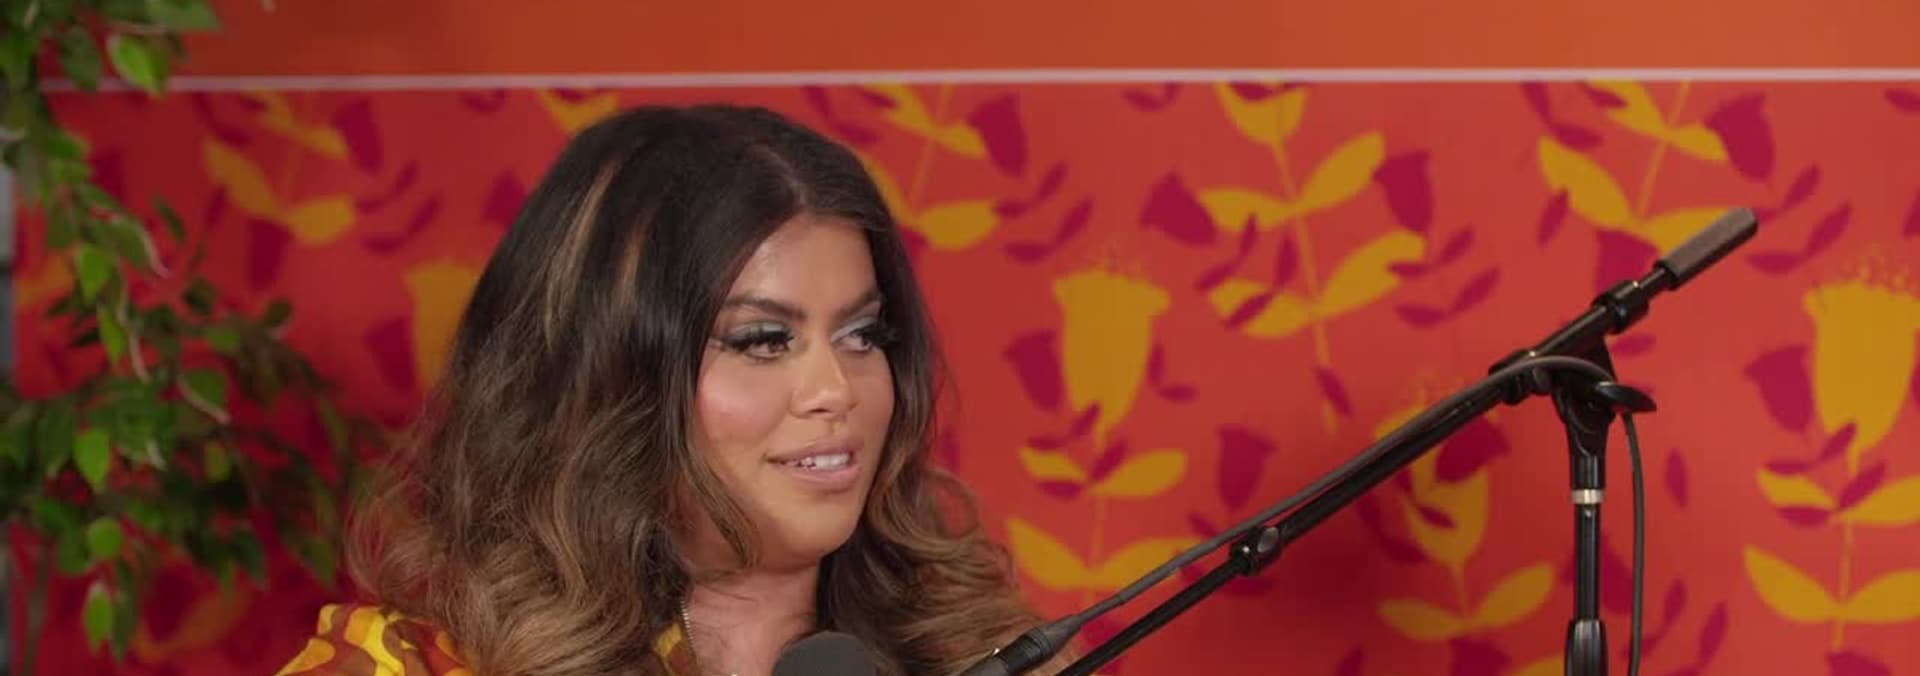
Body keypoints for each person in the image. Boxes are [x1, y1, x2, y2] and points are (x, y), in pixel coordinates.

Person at [275, 104, 1050, 676]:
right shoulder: (412, 664)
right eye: (763, 340)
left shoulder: (983, 654)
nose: (835, 389)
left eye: (863, 334)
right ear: (607, 376)